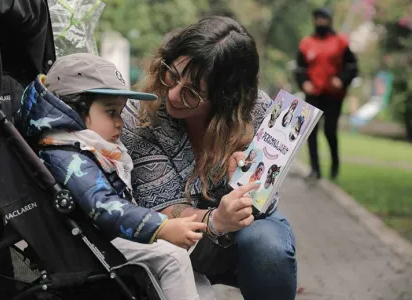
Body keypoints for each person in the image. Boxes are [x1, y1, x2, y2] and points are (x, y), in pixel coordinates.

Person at [122, 16, 297, 300]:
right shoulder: (140, 115)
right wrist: (216, 219)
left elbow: (264, 204)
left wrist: (242, 186)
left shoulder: (259, 110)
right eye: (172, 75)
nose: (174, 94)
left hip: (243, 236)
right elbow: (160, 207)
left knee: (267, 244)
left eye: (192, 92)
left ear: (225, 98)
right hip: (174, 240)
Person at [17, 53, 207, 300]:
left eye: (120, 112)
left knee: (197, 279)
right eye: (111, 112)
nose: (120, 123)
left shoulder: (86, 148)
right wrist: (160, 227)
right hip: (94, 244)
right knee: (173, 258)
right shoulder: (67, 156)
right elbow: (103, 205)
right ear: (73, 109)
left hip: (107, 237)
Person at [295, 7, 358, 180]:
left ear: (329, 20)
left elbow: (352, 67)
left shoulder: (340, 42)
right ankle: (315, 169)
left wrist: (342, 80)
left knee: (330, 130)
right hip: (313, 93)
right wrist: (304, 82)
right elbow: (299, 68)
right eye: (317, 18)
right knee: (311, 132)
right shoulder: (306, 43)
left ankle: (334, 166)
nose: (320, 22)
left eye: (323, 18)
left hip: (333, 95)